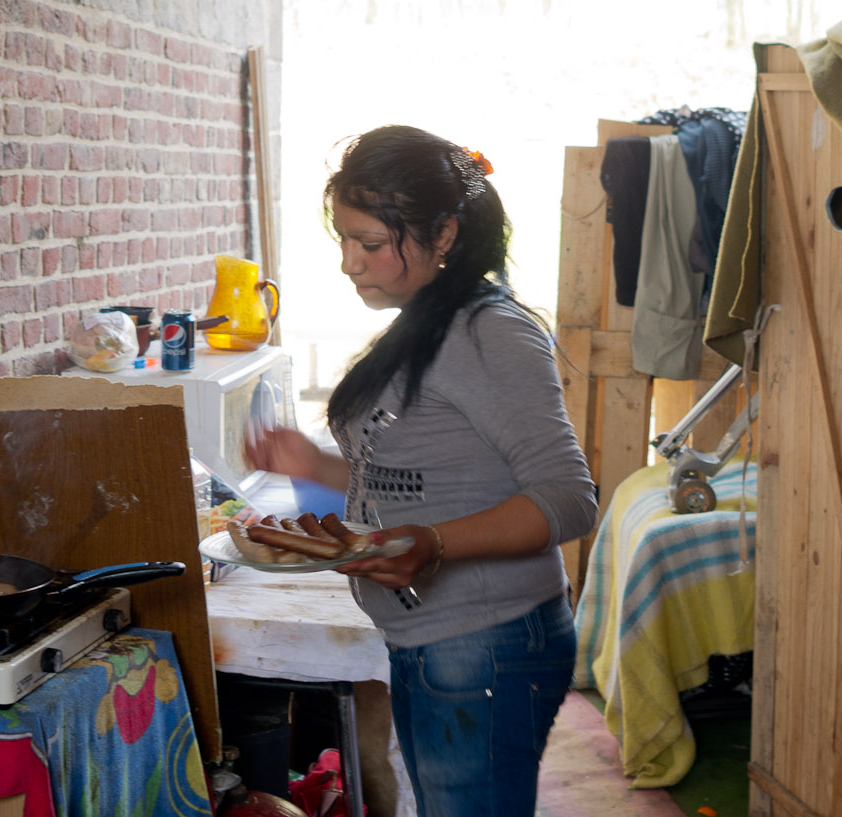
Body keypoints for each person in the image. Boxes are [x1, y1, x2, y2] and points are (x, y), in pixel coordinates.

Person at [244, 125, 597, 817]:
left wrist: (432, 545)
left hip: (484, 646)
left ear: (444, 234)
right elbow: (417, 473)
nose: (350, 262)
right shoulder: (423, 322)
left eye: (370, 243)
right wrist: (312, 463)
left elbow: (568, 497)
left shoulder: (489, 332)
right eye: (343, 240)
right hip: (433, 642)